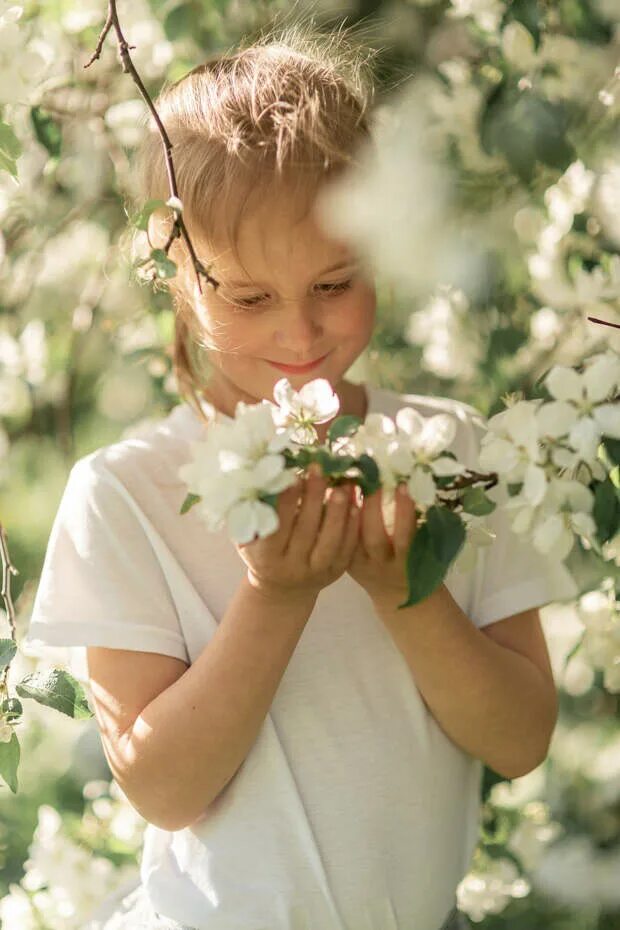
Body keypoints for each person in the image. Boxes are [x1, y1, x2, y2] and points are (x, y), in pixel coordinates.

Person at [24, 20, 578, 930]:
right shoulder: (127, 492)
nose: (302, 334)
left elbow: (519, 741)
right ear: (178, 277)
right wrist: (274, 596)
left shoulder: (456, 453)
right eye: (249, 297)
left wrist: (410, 592)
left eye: (335, 282)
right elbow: (161, 788)